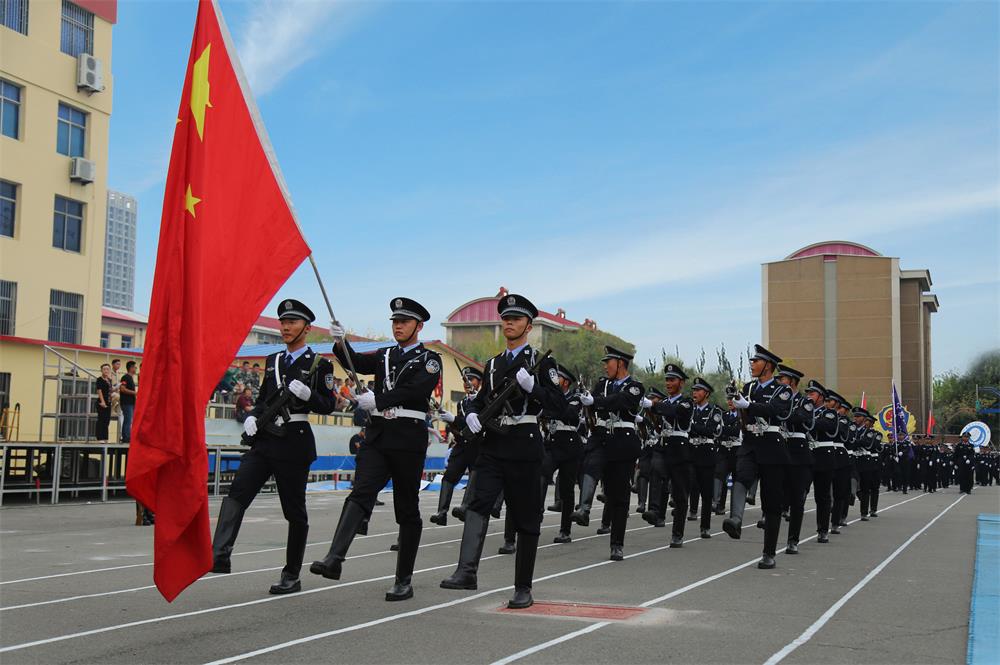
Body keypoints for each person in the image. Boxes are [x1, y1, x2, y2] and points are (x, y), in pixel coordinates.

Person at [311, 297, 441, 603]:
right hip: (379, 436)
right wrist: (341, 344)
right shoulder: (384, 355)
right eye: (394, 322)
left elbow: (416, 390)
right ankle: (335, 558)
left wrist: (379, 400)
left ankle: (403, 579)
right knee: (361, 492)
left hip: (408, 439)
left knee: (406, 507)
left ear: (418, 326)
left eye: (404, 322)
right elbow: (355, 363)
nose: (398, 326)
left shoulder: (429, 360)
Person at [440, 294, 565, 609]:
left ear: (528, 325)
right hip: (494, 445)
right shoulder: (494, 363)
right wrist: (469, 410)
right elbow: (481, 399)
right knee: (477, 505)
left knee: (525, 517)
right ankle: (466, 572)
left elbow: (560, 405)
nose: (509, 323)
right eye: (505, 318)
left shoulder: (542, 362)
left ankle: (523, 587)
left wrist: (532, 388)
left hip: (524, 441)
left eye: (516, 319)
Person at [210, 299, 338, 595]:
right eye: (283, 322)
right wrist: (253, 418)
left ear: (306, 328)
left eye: (292, 322)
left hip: (294, 440)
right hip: (266, 438)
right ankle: (219, 554)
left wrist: (308, 395)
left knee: (294, 511)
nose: (285, 327)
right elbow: (263, 400)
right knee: (238, 493)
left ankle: (291, 574)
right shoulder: (273, 361)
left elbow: (329, 405)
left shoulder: (320, 364)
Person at [723, 344, 794, 570]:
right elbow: (744, 413)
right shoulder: (749, 387)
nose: (752, 364)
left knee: (772, 503)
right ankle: (735, 519)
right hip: (750, 444)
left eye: (756, 361)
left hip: (772, 446)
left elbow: (776, 410)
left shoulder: (781, 389)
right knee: (742, 477)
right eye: (752, 361)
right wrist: (738, 403)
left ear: (768, 366)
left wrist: (748, 405)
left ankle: (768, 553)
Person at [576, 346, 644, 558]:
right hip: (601, 436)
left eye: (609, 362)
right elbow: (593, 403)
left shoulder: (635, 387)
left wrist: (595, 401)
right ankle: (584, 508)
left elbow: (622, 401)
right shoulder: (602, 384)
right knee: (590, 464)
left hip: (623, 441)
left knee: (618, 496)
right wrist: (588, 400)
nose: (605, 366)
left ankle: (617, 543)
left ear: (620, 363)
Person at [643, 363, 693, 547]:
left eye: (672, 380)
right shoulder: (663, 403)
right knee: (656, 472)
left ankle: (677, 533)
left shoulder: (686, 402)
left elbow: (675, 412)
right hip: (663, 446)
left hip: (679, 449)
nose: (668, 383)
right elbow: (658, 421)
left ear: (681, 383)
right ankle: (655, 510)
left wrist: (654, 405)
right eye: (667, 380)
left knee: (680, 494)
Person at [432, 367, 483, 526]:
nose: (467, 383)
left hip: (477, 445)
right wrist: (450, 421)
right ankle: (442, 512)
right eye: (464, 380)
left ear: (480, 383)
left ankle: (465, 506)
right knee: (449, 476)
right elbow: (461, 425)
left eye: (471, 379)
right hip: (462, 444)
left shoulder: (484, 400)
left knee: (474, 475)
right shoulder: (462, 402)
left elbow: (477, 424)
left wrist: (454, 418)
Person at [542, 364, 586, 543]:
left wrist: (551, 409)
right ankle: (536, 513)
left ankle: (565, 530)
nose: (555, 380)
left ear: (566, 382)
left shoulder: (576, 397)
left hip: (569, 445)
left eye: (558, 378)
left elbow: (569, 413)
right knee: (541, 476)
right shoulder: (551, 395)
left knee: (567, 490)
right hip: (552, 443)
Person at [775, 365, 813, 554]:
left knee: (797, 500)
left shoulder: (805, 402)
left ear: (793, 382)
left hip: (798, 453)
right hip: (780, 449)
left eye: (783, 379)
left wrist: (781, 410)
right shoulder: (778, 399)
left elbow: (801, 418)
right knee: (775, 492)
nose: (779, 382)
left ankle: (793, 539)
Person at [687, 377, 722, 539]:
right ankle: (692, 511)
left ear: (706, 393)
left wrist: (692, 427)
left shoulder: (714, 411)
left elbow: (710, 431)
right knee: (691, 484)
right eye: (694, 390)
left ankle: (705, 526)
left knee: (706, 492)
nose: (695, 393)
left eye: (698, 390)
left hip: (707, 453)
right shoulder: (689, 409)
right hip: (690, 451)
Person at [119, 360, 138, 443]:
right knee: (127, 420)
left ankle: (128, 436)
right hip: (126, 403)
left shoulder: (131, 378)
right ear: (131, 368)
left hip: (131, 403)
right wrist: (134, 392)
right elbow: (122, 388)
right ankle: (126, 437)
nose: (136, 369)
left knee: (129, 420)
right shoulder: (125, 377)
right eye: (135, 367)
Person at [94, 363, 113, 442]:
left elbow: (110, 390)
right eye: (104, 369)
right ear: (101, 370)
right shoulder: (99, 379)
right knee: (101, 420)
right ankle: (100, 437)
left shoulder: (109, 380)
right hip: (102, 402)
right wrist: (102, 401)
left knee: (107, 420)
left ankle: (105, 438)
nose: (106, 370)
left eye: (107, 369)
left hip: (108, 402)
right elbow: (99, 391)